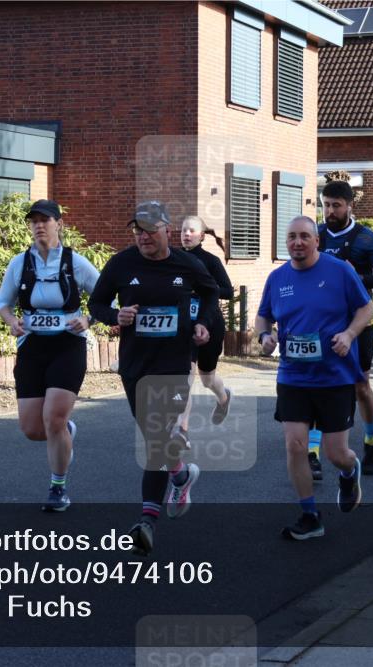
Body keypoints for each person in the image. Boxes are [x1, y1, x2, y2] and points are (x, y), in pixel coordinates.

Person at [88, 201, 218, 556]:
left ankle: (146, 520)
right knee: (156, 438)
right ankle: (180, 475)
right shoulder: (121, 263)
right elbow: (96, 304)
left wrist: (203, 323)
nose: (142, 237)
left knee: (157, 441)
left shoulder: (187, 264)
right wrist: (116, 314)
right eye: (137, 230)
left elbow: (212, 293)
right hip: (135, 365)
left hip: (174, 364)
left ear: (166, 229)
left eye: (148, 230)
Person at [256, 216, 373, 539]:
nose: (297, 242)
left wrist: (349, 335)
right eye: (291, 237)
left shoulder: (340, 271)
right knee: (295, 446)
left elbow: (367, 309)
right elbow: (263, 315)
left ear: (316, 241)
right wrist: (264, 336)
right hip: (293, 376)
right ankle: (310, 516)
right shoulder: (277, 278)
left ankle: (350, 471)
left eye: (304, 236)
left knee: (336, 453)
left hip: (334, 377)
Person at [0, 199, 100, 511]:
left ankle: (58, 487)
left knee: (53, 417)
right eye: (34, 221)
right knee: (31, 429)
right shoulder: (19, 263)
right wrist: (12, 321)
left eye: (46, 220)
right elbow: (3, 303)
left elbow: (103, 296)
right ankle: (66, 431)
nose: (39, 226)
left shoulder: (75, 262)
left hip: (68, 344)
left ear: (59, 224)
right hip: (32, 347)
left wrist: (88, 319)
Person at [312, 180, 373, 478]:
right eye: (326, 205)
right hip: (320, 324)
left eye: (336, 205)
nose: (330, 211)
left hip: (357, 323)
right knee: (317, 384)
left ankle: (371, 439)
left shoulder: (366, 239)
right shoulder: (315, 235)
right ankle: (313, 452)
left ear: (349, 206)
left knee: (360, 386)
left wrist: (353, 274)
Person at [175, 216, 233, 440]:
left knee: (207, 378)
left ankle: (223, 397)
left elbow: (227, 291)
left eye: (191, 231)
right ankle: (182, 429)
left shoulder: (210, 261)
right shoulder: (174, 259)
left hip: (210, 323)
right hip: (183, 327)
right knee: (185, 377)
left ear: (201, 236)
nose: (186, 234)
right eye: (183, 230)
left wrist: (202, 290)